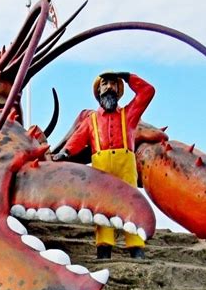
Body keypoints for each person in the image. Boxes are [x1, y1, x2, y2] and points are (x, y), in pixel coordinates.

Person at [53, 71, 155, 259]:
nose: (109, 87)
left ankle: (136, 248)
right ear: (98, 91)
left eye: (113, 84)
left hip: (125, 165)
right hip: (101, 167)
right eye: (105, 84)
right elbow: (77, 138)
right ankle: (104, 248)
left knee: (130, 203)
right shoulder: (91, 120)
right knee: (102, 206)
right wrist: (65, 152)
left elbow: (147, 91)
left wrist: (128, 77)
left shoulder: (129, 114)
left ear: (118, 89)